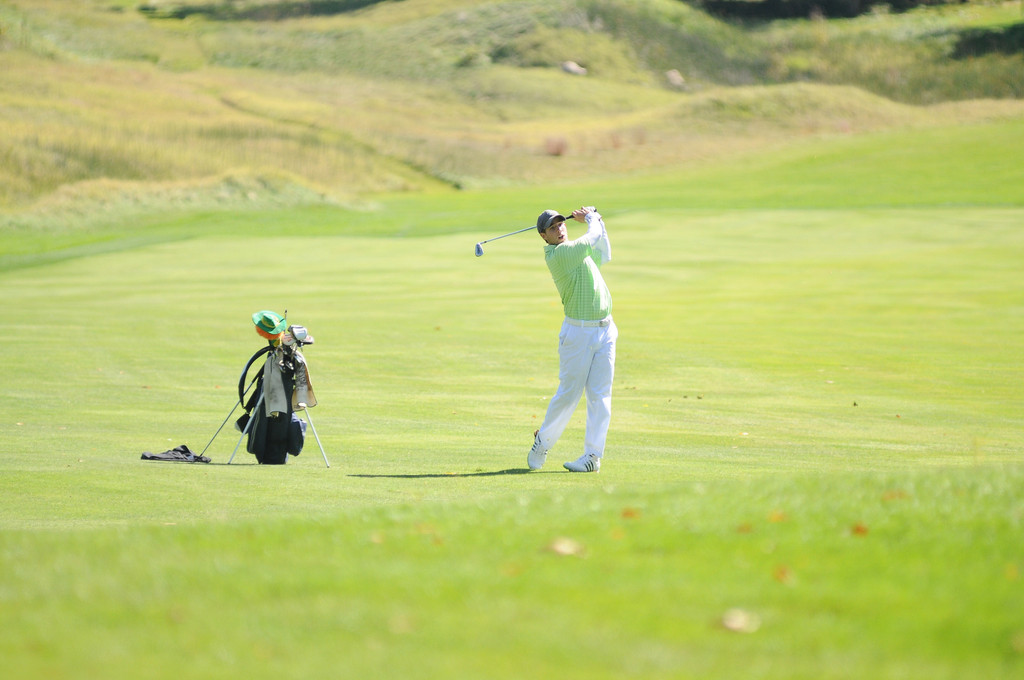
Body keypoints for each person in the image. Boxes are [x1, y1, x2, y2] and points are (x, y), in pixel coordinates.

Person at [528, 206, 617, 473]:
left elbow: (604, 251)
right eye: (553, 228)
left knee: (600, 397)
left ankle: (592, 456)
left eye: (561, 224)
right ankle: (542, 442)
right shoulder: (559, 254)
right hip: (578, 332)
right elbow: (590, 238)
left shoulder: (576, 249)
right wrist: (591, 219)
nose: (560, 229)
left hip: (606, 330)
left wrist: (598, 221)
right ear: (544, 236)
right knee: (569, 395)